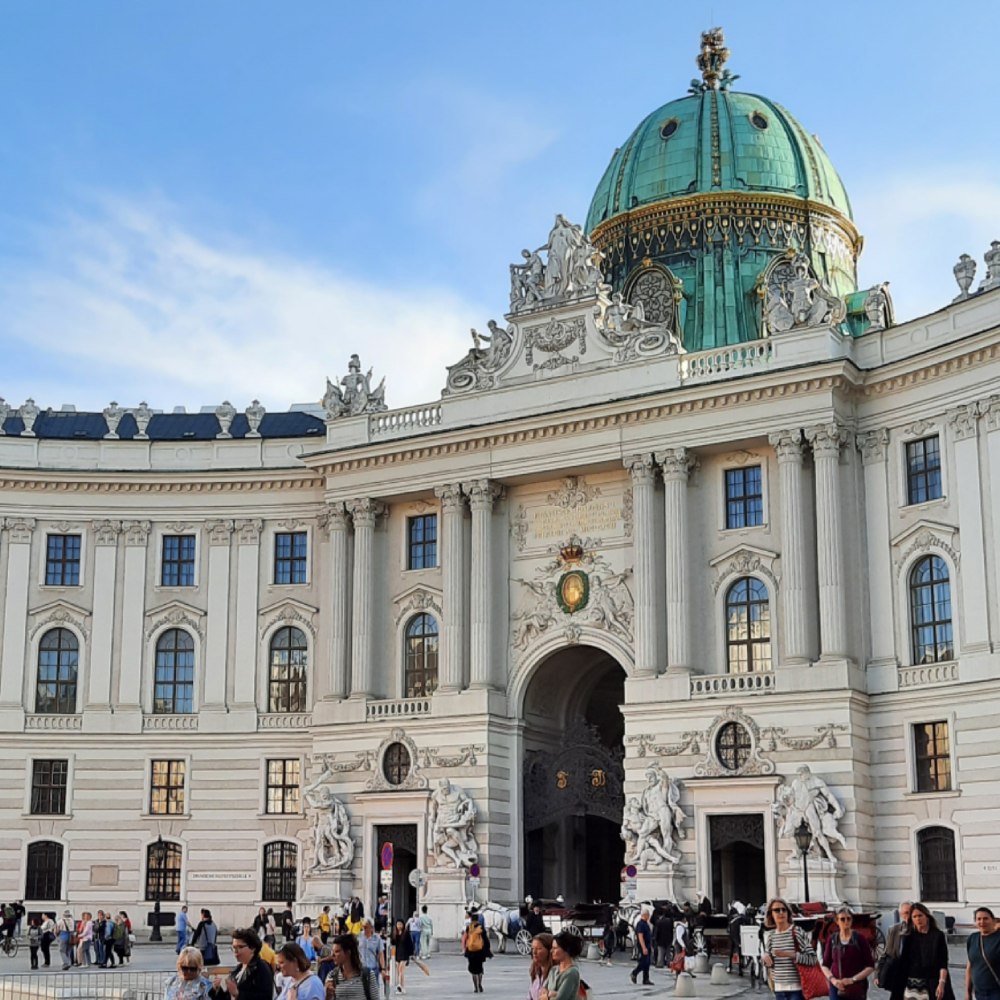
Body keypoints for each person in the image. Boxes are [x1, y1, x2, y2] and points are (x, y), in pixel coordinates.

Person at [762, 896, 818, 1000]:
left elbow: (813, 959)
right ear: (771, 914)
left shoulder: (797, 932)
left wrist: (790, 954)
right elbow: (767, 962)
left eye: (784, 909)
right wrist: (765, 958)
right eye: (777, 910)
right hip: (778, 989)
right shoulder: (771, 936)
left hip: (797, 989)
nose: (781, 912)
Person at [820, 906, 875, 1000]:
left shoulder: (860, 938)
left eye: (848, 918)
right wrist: (833, 980)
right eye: (842, 919)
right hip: (836, 986)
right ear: (837, 921)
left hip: (856, 986)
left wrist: (852, 979)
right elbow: (825, 965)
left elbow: (870, 966)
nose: (846, 921)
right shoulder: (832, 939)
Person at [900, 903, 952, 1000]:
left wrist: (941, 983)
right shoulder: (908, 937)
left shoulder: (938, 935)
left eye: (920, 915)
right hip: (914, 982)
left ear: (927, 916)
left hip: (934, 980)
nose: (918, 919)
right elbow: (904, 962)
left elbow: (943, 962)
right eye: (914, 916)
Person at [209, 927, 274, 1000]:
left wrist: (238, 994)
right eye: (234, 947)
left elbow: (266, 997)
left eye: (240, 947)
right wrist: (217, 989)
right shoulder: (238, 969)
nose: (236, 951)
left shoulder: (261, 968)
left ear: (252, 948)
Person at [324, 933, 380, 1000]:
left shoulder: (367, 975)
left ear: (348, 952)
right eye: (332, 952)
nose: (333, 955)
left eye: (337, 951)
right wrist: (328, 996)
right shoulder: (332, 976)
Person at [966, 907, 1000, 1000]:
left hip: (996, 991)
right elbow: (970, 966)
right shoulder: (972, 938)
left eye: (986, 918)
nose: (982, 922)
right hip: (979, 992)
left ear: (993, 920)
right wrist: (968, 992)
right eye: (978, 919)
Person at [540, 931, 584, 1000]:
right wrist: (551, 994)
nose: (551, 951)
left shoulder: (572, 973)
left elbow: (560, 998)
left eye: (555, 948)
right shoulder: (553, 970)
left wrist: (548, 996)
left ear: (566, 950)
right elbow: (543, 991)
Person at [461, 908, 492, 994]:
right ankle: (480, 984)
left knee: (473, 970)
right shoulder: (481, 928)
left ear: (471, 919)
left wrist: (464, 948)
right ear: (478, 919)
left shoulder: (468, 928)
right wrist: (488, 950)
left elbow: (465, 938)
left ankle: (475, 987)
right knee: (480, 969)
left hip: (471, 951)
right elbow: (485, 939)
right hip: (479, 951)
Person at [358, 920, 387, 986]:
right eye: (363, 927)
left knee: (374, 990)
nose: (364, 929)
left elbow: (381, 953)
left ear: (371, 927)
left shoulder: (377, 938)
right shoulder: (359, 936)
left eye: (366, 927)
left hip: (373, 968)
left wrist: (383, 969)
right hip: (361, 968)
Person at [631, 906, 652, 985]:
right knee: (643, 962)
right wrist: (643, 948)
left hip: (648, 945)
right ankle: (634, 973)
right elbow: (640, 936)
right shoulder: (640, 924)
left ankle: (646, 979)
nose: (649, 916)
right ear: (645, 915)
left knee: (647, 962)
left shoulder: (646, 923)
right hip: (643, 946)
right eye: (648, 915)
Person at [529, 933, 554, 1000]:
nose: (534, 952)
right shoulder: (536, 973)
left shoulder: (556, 975)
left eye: (539, 948)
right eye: (533, 948)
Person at [391, 919, 413, 994]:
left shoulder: (406, 933)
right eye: (398, 924)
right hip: (398, 954)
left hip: (404, 954)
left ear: (403, 925)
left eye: (400, 924)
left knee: (401, 969)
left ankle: (400, 986)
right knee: (399, 971)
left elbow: (410, 944)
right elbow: (393, 943)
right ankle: (402, 986)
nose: (399, 926)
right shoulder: (395, 933)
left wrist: (411, 954)